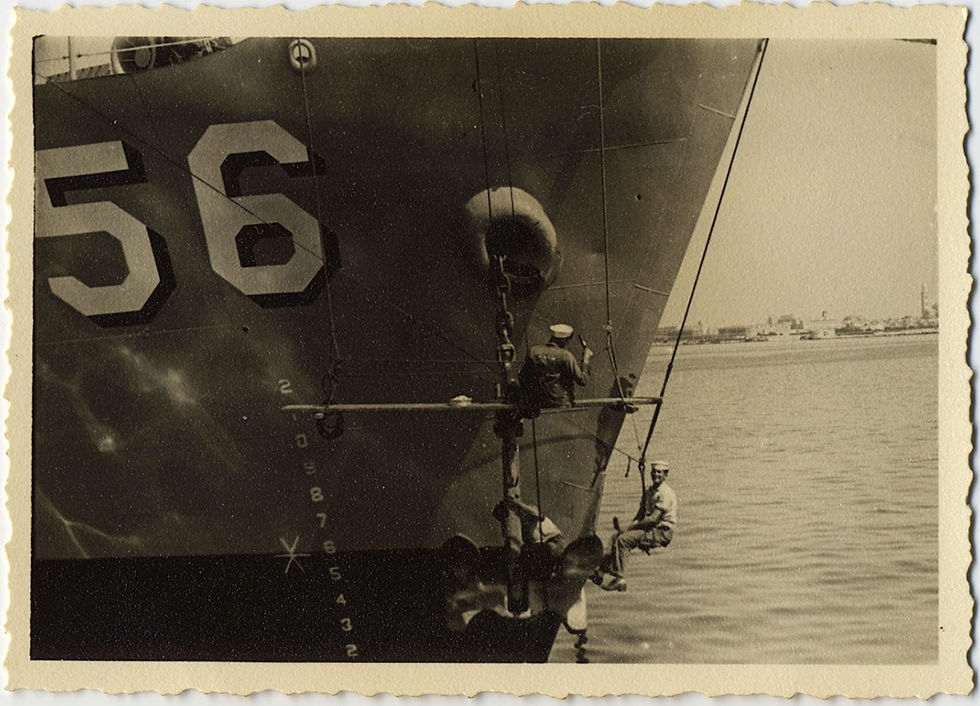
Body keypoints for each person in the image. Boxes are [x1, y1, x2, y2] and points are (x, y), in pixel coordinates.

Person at [594, 460, 677, 592]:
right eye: (654, 472)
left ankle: (619, 579)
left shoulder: (666, 493)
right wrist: (626, 528)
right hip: (651, 529)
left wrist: (629, 529)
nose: (655, 474)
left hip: (662, 532)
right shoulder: (649, 491)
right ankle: (601, 571)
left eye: (659, 472)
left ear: (666, 475)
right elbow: (639, 516)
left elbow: (653, 519)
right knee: (617, 537)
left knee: (623, 541)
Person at [519, 324, 594, 409]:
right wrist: (586, 360)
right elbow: (582, 380)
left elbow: (522, 376)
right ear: (564, 340)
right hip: (560, 404)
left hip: (538, 403)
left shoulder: (533, 351)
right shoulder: (566, 356)